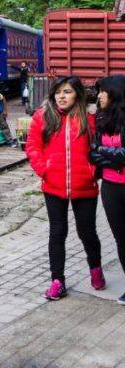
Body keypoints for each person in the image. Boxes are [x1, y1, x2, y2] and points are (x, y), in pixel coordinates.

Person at [25, 76, 104, 300]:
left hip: (84, 185)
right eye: (58, 92)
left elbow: (99, 148)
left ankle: (95, 268)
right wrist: (44, 169)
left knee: (87, 232)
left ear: (77, 95)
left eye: (67, 92)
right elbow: (33, 146)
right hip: (53, 185)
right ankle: (57, 280)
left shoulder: (89, 120)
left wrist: (93, 171)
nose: (61, 96)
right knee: (57, 233)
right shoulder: (43, 117)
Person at [91, 75, 125, 305]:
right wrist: (113, 157)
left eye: (103, 91)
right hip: (111, 188)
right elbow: (91, 153)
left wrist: (105, 153)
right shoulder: (101, 120)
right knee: (121, 239)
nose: (99, 95)